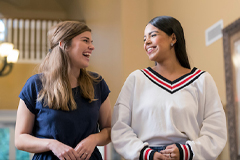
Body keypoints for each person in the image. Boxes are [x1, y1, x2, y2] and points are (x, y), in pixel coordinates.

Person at [111, 16, 227, 160]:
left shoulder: (202, 80)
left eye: (153, 35)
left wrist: (186, 151)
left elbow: (216, 132)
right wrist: (146, 154)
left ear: (173, 38)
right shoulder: (136, 79)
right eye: (144, 39)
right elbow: (119, 128)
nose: (146, 42)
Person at [15, 21, 112, 160]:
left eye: (91, 41)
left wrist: (94, 139)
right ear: (64, 45)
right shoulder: (35, 84)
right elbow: (20, 139)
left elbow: (108, 130)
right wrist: (51, 144)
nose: (92, 47)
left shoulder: (97, 84)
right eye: (85, 40)